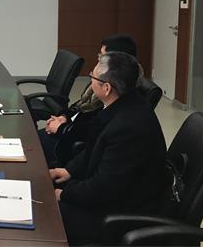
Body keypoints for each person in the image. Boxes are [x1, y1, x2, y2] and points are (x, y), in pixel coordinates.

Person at [50, 52, 166, 245]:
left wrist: (64, 194)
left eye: (93, 77)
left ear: (106, 88)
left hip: (120, 217)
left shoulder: (127, 128)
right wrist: (68, 171)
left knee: (46, 215)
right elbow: (93, 149)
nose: (90, 79)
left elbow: (102, 189)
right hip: (111, 199)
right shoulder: (122, 105)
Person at [39, 34, 139, 168]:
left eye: (102, 58)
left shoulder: (116, 93)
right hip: (70, 131)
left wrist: (61, 128)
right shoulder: (105, 81)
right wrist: (64, 117)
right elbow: (81, 105)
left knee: (33, 148)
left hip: (72, 140)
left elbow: (92, 130)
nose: (97, 63)